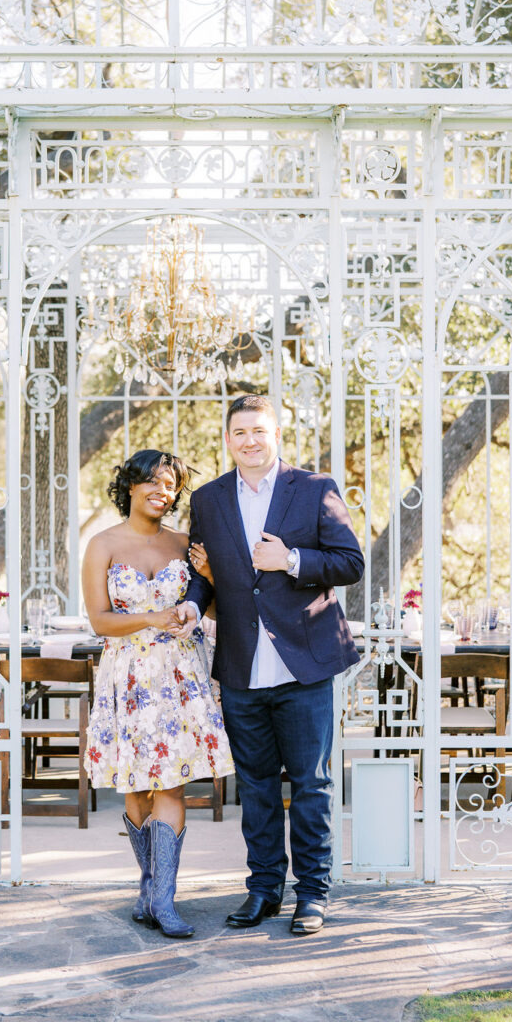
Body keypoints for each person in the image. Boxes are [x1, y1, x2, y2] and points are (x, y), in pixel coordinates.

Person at [179, 394, 364, 936]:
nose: (250, 441)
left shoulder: (313, 489)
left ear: (276, 435)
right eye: (240, 432)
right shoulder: (208, 499)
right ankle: (263, 890)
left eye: (259, 430)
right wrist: (192, 601)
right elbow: (202, 570)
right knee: (256, 787)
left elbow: (350, 562)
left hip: (303, 665)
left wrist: (292, 560)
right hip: (240, 666)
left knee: (311, 785)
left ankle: (313, 895)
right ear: (228, 439)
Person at [82, 449, 233, 939]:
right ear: (129, 485)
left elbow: (208, 609)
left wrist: (208, 578)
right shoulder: (102, 545)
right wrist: (148, 617)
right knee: (134, 787)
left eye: (170, 485)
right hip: (125, 678)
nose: (161, 491)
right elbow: (99, 620)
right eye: (151, 481)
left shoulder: (185, 544)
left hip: (178, 676)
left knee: (171, 783)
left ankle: (165, 901)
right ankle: (147, 887)